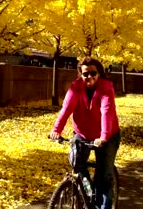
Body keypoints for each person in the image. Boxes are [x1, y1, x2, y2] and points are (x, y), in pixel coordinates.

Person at [50, 57, 120, 209]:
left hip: (108, 135)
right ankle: (87, 192)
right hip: (82, 134)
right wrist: (56, 130)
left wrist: (104, 136)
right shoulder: (75, 88)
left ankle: (102, 204)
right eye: (85, 74)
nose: (89, 77)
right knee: (76, 162)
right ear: (80, 75)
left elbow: (106, 112)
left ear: (99, 73)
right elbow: (66, 109)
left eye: (93, 73)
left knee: (103, 176)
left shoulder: (106, 87)